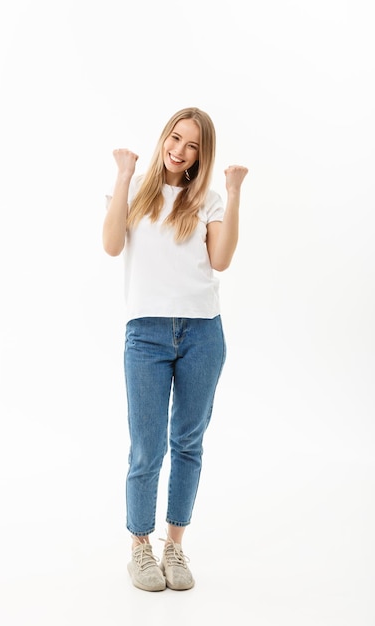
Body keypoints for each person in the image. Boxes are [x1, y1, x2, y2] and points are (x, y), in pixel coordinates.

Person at [102, 107, 248, 592]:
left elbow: (221, 260)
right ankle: (140, 549)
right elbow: (110, 245)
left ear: (200, 156)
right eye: (175, 137)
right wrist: (124, 173)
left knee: (188, 443)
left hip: (203, 333)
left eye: (191, 146)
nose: (178, 150)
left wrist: (233, 191)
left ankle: (175, 545)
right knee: (147, 447)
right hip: (146, 334)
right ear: (164, 136)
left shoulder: (205, 198)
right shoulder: (139, 187)